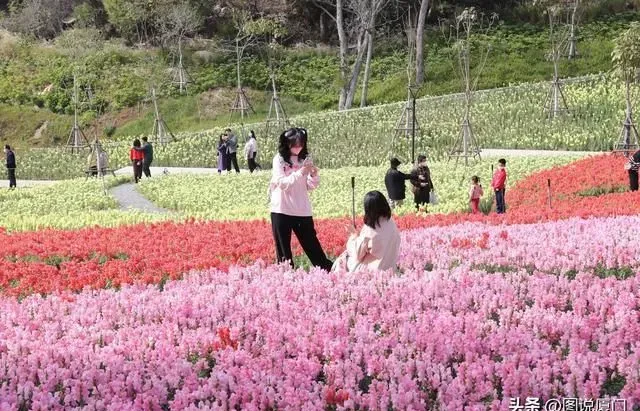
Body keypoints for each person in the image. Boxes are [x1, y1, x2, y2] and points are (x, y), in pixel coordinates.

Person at [268, 127, 333, 271]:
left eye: (301, 144)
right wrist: (300, 172)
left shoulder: (305, 158)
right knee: (284, 254)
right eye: (295, 144)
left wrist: (313, 175)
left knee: (314, 249)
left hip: (302, 210)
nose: (298, 148)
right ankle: (287, 279)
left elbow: (309, 185)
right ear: (287, 143)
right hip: (281, 209)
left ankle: (328, 272)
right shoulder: (279, 159)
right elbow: (282, 183)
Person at [332, 191, 401, 272]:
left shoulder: (370, 229)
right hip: (390, 267)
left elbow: (357, 254)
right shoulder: (390, 222)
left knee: (342, 259)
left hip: (372, 271)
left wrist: (353, 235)